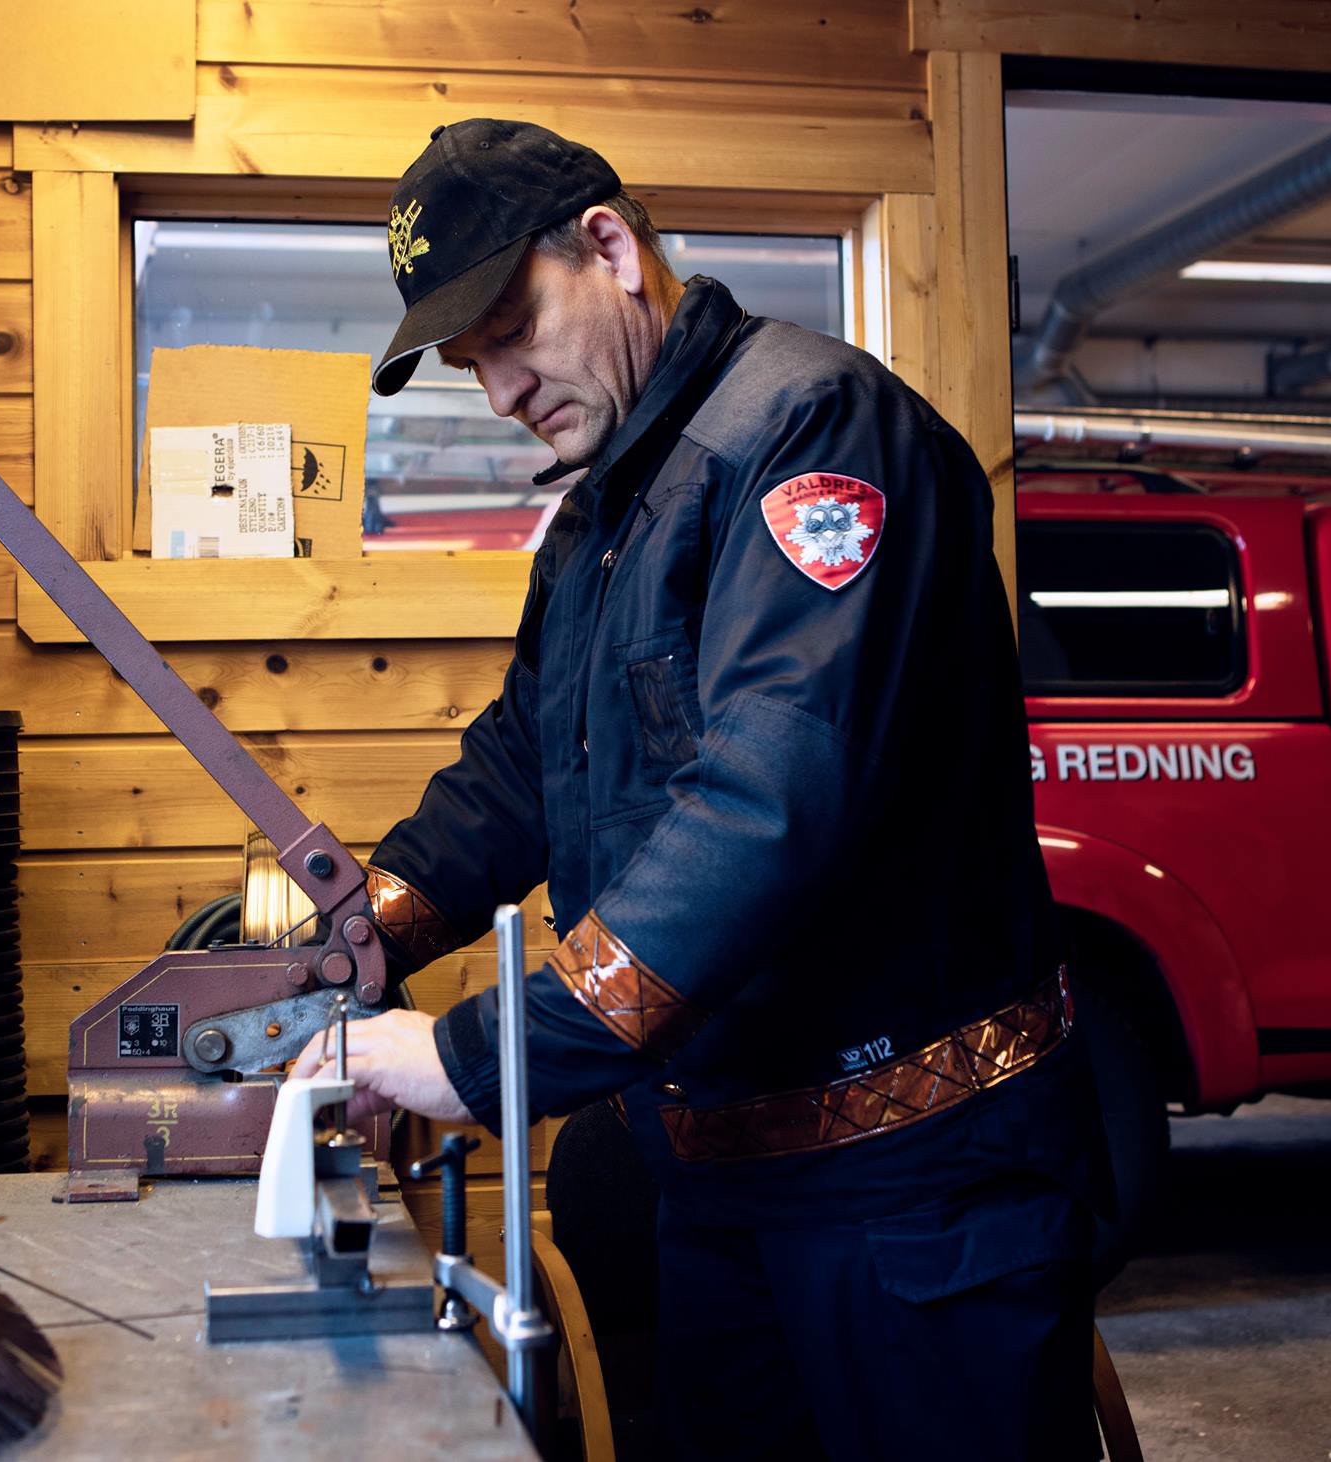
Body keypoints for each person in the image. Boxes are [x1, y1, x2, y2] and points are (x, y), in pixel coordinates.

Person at [291, 118, 1109, 1460]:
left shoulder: (812, 431)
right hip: (722, 1182)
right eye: (468, 361)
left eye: (508, 329)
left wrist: (473, 1056)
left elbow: (768, 806)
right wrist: (364, 931)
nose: (497, 390)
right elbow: (517, 766)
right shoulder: (608, 508)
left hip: (913, 1190)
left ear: (606, 246)